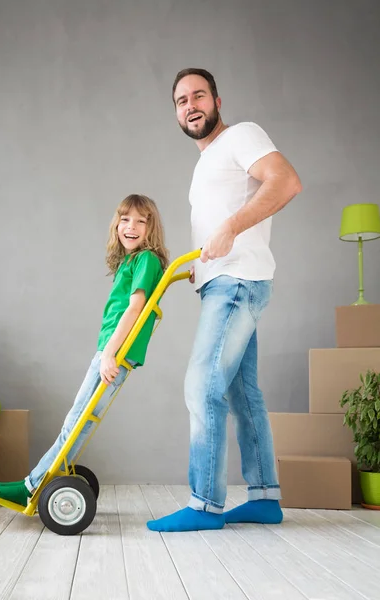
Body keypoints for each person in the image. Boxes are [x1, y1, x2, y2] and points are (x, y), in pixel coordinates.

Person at [147, 68, 302, 532]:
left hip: (237, 282)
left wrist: (231, 229)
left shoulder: (242, 136)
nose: (190, 105)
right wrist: (202, 265)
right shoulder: (207, 161)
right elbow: (218, 224)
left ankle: (204, 505)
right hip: (224, 280)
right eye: (181, 100)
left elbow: (286, 182)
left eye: (198, 95)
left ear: (217, 99)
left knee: (202, 385)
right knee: (241, 392)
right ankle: (264, 497)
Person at [0, 194, 169, 507]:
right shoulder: (132, 261)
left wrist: (110, 353)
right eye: (126, 219)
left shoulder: (145, 260)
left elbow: (136, 307)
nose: (132, 226)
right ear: (117, 224)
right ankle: (47, 476)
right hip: (112, 351)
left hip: (114, 352)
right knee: (81, 420)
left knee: (77, 421)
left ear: (151, 228)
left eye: (141, 220)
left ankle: (31, 486)